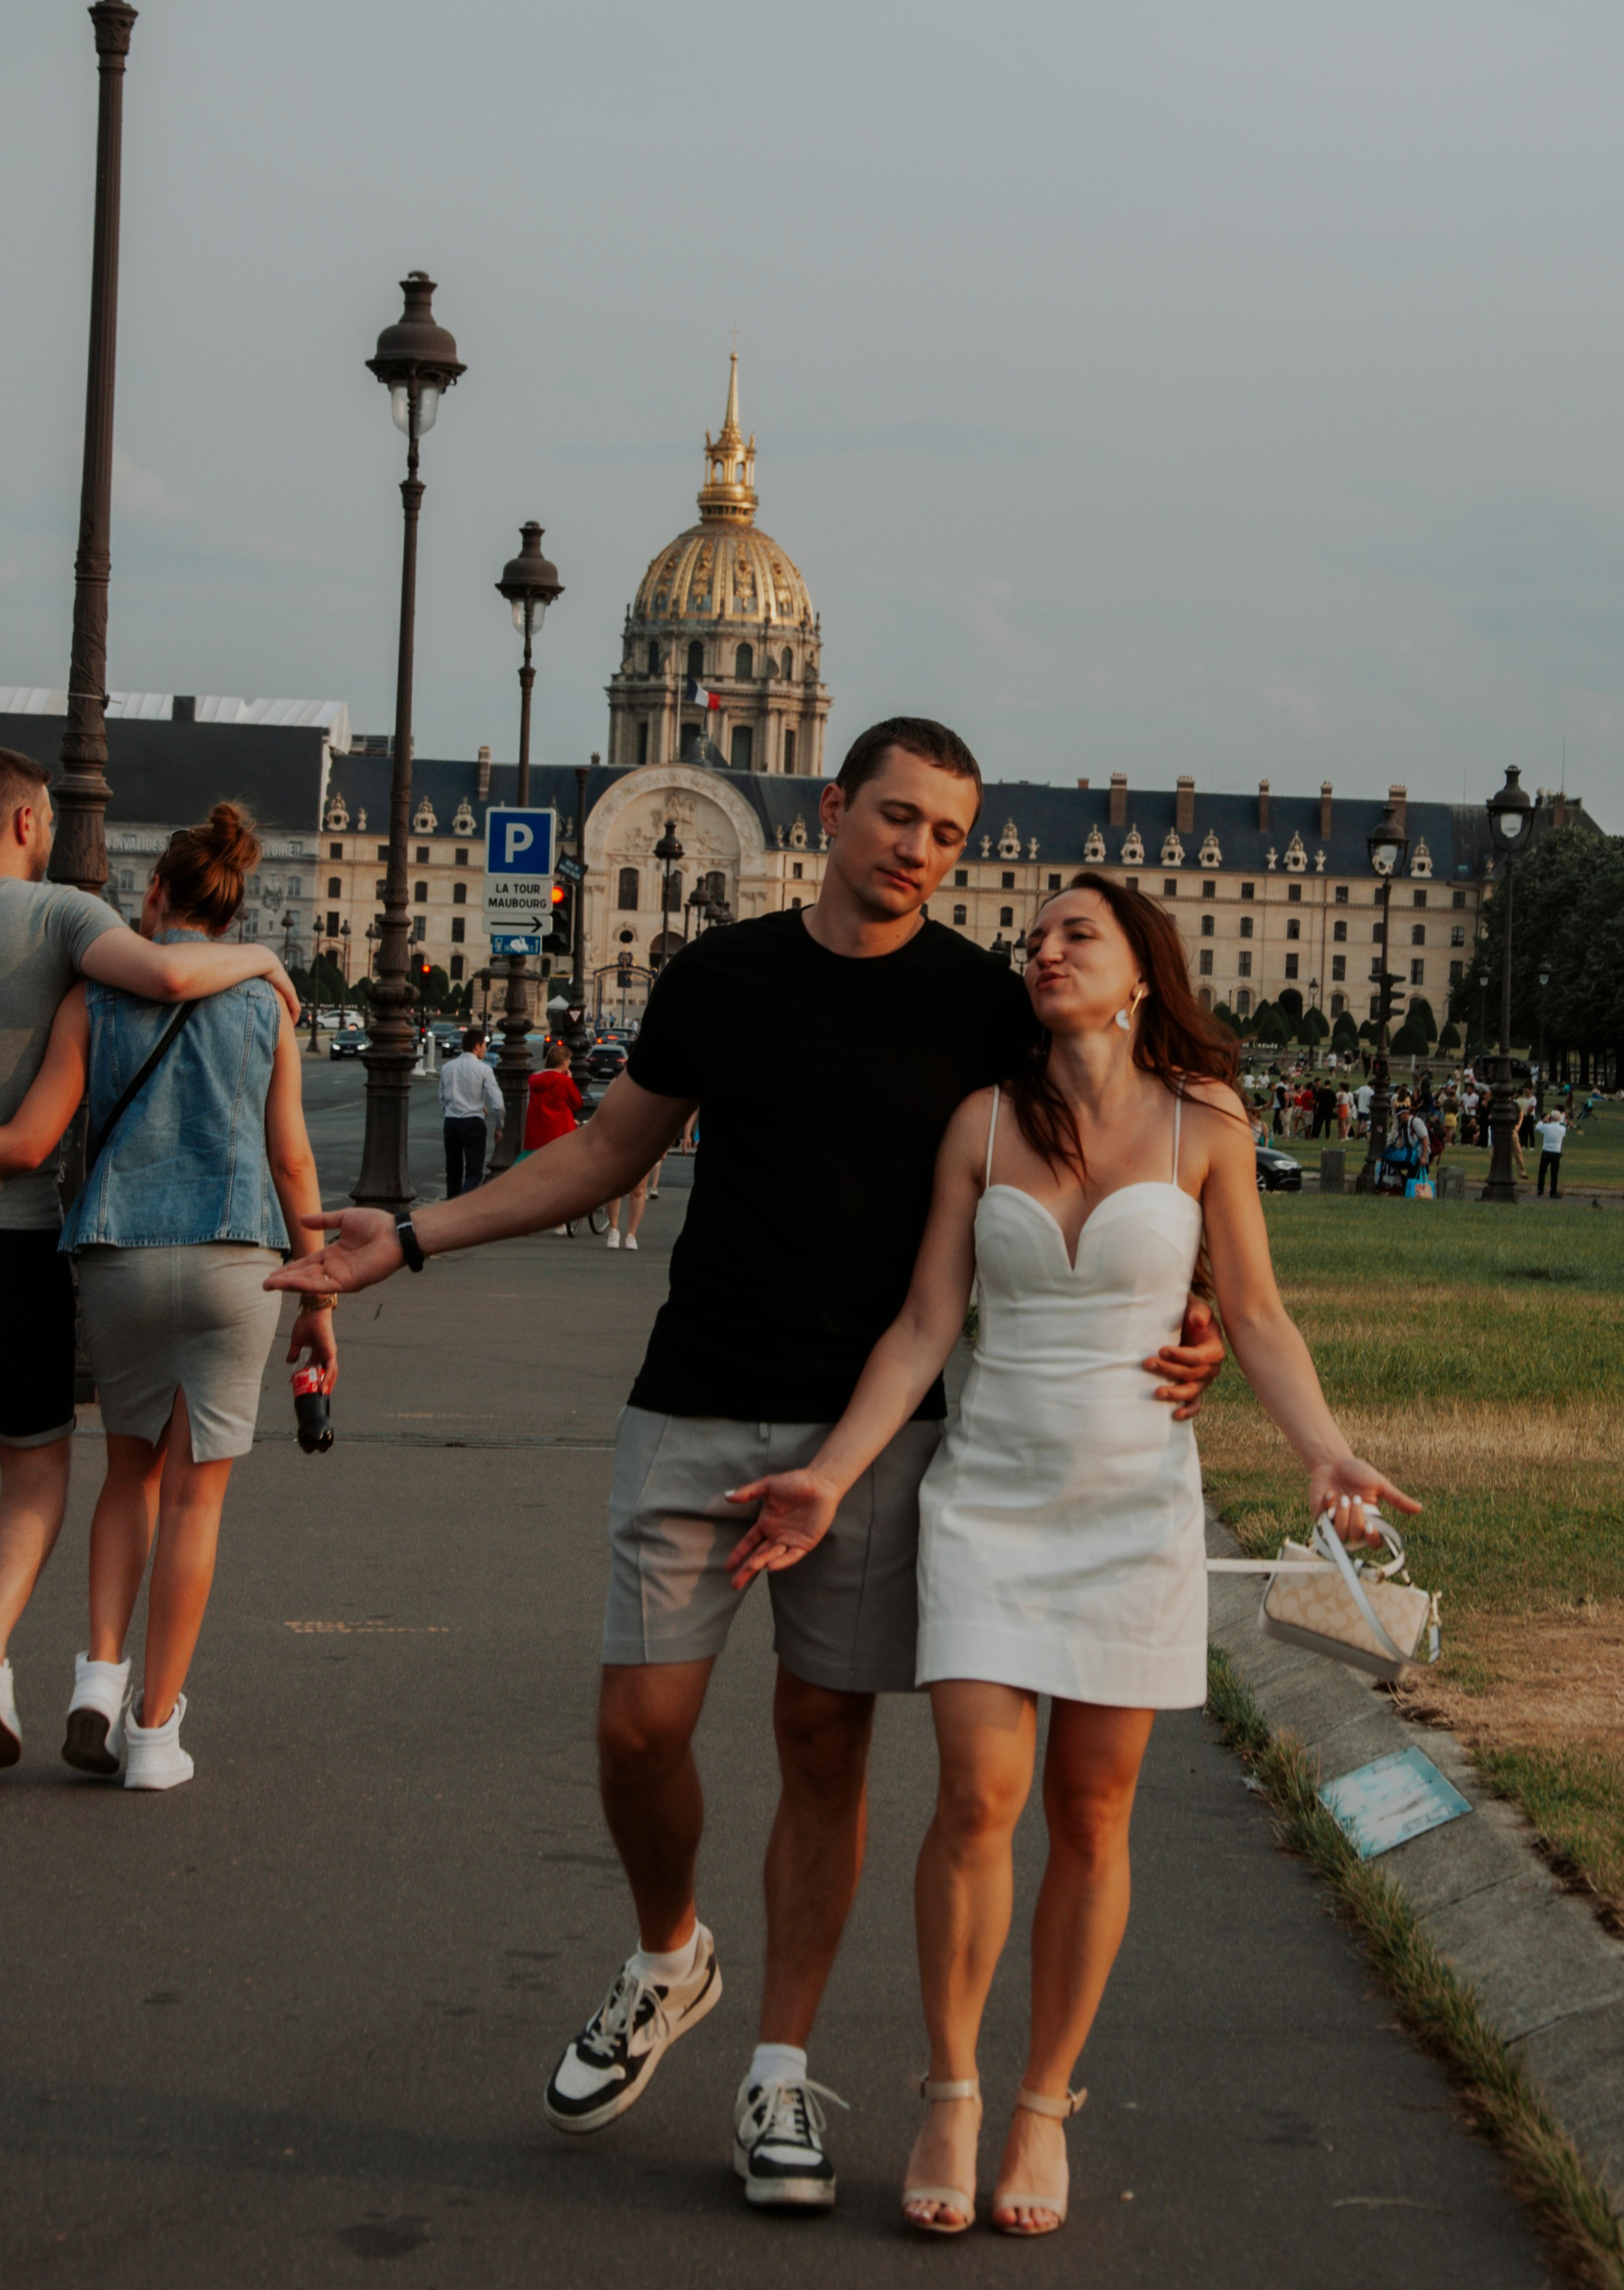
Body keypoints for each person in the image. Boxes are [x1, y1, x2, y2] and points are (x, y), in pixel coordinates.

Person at [266, 720, 1223, 2213]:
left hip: (873, 1434)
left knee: (824, 1743)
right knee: (639, 1726)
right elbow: (607, 1153)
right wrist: (415, 1234)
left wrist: (1193, 1308)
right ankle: (671, 1955)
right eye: (896, 816)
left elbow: (1118, 1141)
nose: (917, 849)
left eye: (947, 834)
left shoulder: (984, 1005)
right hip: (697, 1394)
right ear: (829, 808)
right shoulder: (719, 973)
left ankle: (780, 2066)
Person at [724, 879, 1416, 2237]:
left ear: (1141, 971)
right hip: (989, 1502)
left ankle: (1043, 2105)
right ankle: (952, 2090)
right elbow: (925, 1325)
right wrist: (831, 1475)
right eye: (1033, 937)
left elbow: (1255, 1312)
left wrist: (1325, 1450)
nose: (1043, 951)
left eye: (1074, 934)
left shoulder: (1210, 1122)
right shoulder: (982, 1121)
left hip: (1133, 1508)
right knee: (977, 1799)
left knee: (1094, 1814)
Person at [0, 804, 334, 1787]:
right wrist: (321, 1298)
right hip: (235, 1254)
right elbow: (293, 1159)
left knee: (127, 1473)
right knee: (196, 1494)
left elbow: (40, 1131)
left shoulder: (91, 998)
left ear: (153, 892)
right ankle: (152, 1735)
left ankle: (98, 1679)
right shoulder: (266, 1003)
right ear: (233, 909)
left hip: (117, 1253)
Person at [524, 1039, 585, 1233]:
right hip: (560, 1133)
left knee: (537, 1179)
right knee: (562, 1180)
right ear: (564, 1063)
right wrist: (570, 1079)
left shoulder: (534, 1079)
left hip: (536, 1133)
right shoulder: (563, 1081)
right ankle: (559, 1222)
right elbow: (577, 1103)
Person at [439, 1027, 504, 1198]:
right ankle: (462, 1203)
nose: (485, 1049)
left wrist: (456, 1108)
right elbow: (498, 1104)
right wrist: (499, 1126)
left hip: (451, 1122)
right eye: (484, 1045)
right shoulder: (484, 1069)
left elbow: (443, 1099)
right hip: (473, 1123)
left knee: (453, 1172)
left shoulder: (447, 1067)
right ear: (477, 1046)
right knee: (474, 1173)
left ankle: (451, 1205)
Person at [1534, 1104, 1567, 1198]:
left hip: (1546, 1151)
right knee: (1554, 1173)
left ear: (1550, 1118)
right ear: (1559, 1118)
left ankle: (1540, 1190)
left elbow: (1537, 1127)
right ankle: (1553, 1192)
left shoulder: (1546, 1127)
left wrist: (1543, 1120)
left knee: (1542, 1171)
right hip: (1556, 1153)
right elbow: (1564, 1127)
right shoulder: (1562, 1129)